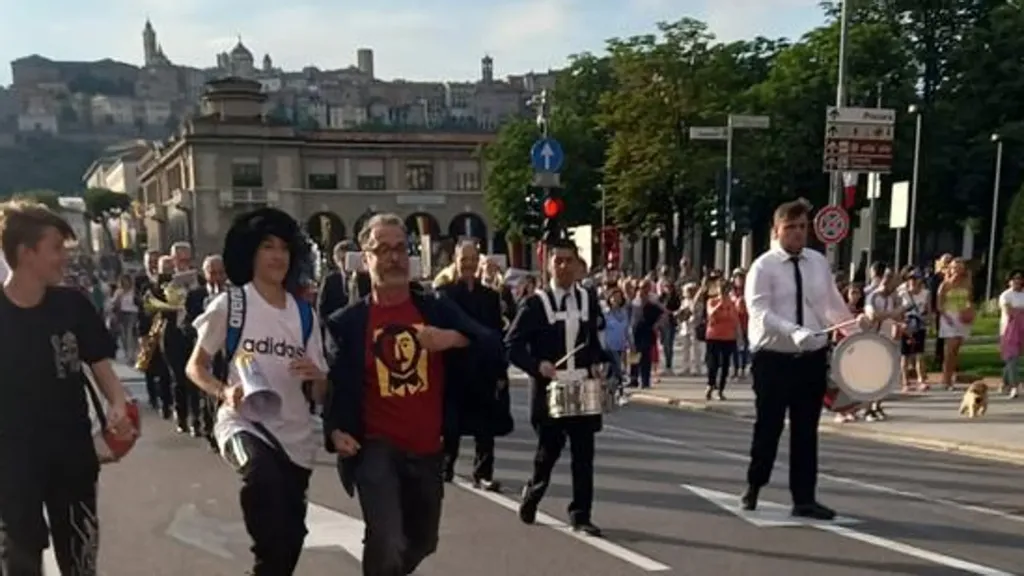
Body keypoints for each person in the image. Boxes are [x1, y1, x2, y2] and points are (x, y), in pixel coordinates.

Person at [322, 213, 505, 576]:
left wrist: (451, 339)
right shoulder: (347, 323)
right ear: (366, 258)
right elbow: (337, 387)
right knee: (387, 539)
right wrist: (334, 430)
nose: (394, 257)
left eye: (401, 248)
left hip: (427, 449)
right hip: (375, 446)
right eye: (383, 249)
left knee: (423, 541)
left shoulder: (434, 307)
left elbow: (494, 346)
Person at [185, 208, 329, 576]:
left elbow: (322, 387)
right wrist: (223, 391)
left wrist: (316, 376)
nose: (277, 255)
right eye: (268, 247)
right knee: (262, 479)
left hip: (295, 436)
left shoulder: (305, 315)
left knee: (289, 542)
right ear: (251, 253)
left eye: (283, 247)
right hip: (243, 425)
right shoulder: (230, 306)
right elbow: (195, 367)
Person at [0, 200, 133, 576]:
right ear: (27, 253)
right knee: (21, 559)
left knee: (80, 557)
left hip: (73, 454)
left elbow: (100, 364)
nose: (65, 258)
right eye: (56, 248)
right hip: (12, 462)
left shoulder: (72, 305)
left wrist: (118, 404)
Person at [741, 198, 865, 520]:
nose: (797, 233)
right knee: (768, 427)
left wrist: (855, 330)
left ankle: (804, 497)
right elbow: (759, 311)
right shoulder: (763, 266)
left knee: (806, 430)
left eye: (802, 227)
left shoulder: (817, 262)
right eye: (790, 227)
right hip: (773, 358)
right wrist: (792, 330)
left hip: (811, 357)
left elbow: (830, 304)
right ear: (776, 230)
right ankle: (755, 484)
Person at [507, 239, 608, 536]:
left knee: (584, 454)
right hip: (551, 388)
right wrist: (537, 366)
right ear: (548, 264)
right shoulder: (536, 303)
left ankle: (581, 514)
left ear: (578, 265)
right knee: (548, 452)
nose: (563, 266)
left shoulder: (588, 298)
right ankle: (533, 493)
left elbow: (592, 342)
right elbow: (511, 345)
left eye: (569, 261)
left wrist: (599, 363)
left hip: (582, 386)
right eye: (558, 260)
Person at [438, 240, 512, 490]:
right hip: (452, 367)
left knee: (485, 426)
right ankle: (446, 466)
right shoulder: (444, 294)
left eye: (472, 259)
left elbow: (497, 334)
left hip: (482, 369)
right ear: (456, 262)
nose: (468, 265)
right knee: (450, 424)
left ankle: (483, 473)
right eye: (463, 259)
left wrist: (501, 370)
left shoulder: (490, 296)